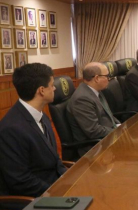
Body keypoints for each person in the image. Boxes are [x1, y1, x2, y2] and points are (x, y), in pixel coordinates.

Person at [0, 63, 66, 197]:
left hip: (56, 186)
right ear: (41, 90)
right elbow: (20, 180)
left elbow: (54, 159)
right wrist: (55, 192)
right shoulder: (11, 129)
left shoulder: (43, 116)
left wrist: (69, 179)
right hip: (36, 199)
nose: (54, 88)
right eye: (52, 85)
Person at [67, 62, 120, 156]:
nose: (109, 79)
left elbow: (108, 115)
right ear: (96, 78)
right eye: (106, 76)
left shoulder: (96, 91)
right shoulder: (82, 99)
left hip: (106, 138)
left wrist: (119, 125)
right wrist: (118, 131)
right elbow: (93, 131)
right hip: (94, 147)